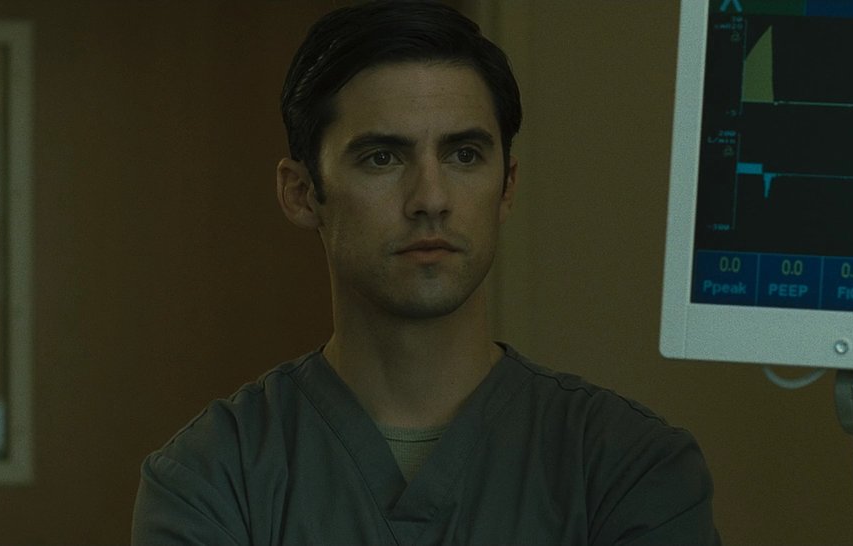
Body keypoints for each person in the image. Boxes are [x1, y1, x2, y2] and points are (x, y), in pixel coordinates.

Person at [130, 1, 719, 544]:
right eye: (382, 158)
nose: (431, 198)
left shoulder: (628, 469)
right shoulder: (212, 479)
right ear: (303, 192)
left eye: (464, 155)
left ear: (507, 186)